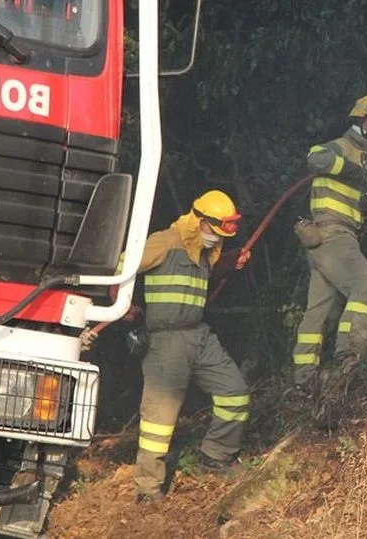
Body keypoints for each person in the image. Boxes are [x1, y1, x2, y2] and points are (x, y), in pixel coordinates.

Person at [120, 189, 252, 503]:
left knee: (235, 393)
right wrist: (121, 303)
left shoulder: (206, 249)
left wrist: (230, 262)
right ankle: (148, 489)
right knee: (159, 419)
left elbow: (210, 272)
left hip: (200, 335)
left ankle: (216, 457)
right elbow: (121, 265)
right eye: (214, 232)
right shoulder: (164, 242)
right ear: (199, 220)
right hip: (167, 340)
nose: (216, 239)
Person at [290, 94, 367, 410]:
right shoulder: (344, 147)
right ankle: (347, 358)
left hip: (327, 240)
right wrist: (349, 169)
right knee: (366, 286)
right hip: (334, 236)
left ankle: (304, 382)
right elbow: (315, 157)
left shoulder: (364, 158)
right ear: (366, 122)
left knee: (318, 311)